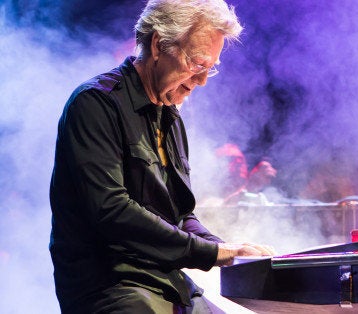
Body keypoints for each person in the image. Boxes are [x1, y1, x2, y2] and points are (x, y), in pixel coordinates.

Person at [49, 1, 274, 313]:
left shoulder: (171, 116)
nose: (202, 81)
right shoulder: (95, 104)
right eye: (197, 65)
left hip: (166, 280)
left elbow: (181, 215)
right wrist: (213, 254)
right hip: (110, 286)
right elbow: (112, 211)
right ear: (158, 45)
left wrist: (230, 251)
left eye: (211, 68)